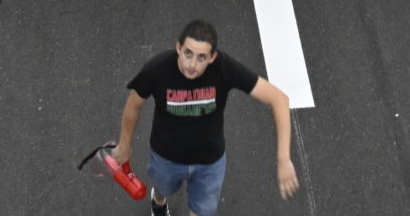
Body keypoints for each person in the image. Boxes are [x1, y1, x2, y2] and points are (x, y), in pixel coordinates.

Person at [116, 19, 298, 216]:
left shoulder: (224, 68)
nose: (192, 64)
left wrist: (284, 159)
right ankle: (158, 201)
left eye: (201, 57)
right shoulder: (156, 70)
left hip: (209, 164)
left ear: (212, 58)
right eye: (188, 54)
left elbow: (279, 99)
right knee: (163, 189)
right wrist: (124, 144)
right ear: (178, 47)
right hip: (166, 159)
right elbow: (134, 105)